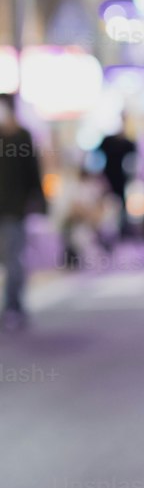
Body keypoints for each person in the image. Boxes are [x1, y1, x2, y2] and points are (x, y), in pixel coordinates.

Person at [0, 93, 46, 329]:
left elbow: (33, 172)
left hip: (13, 210)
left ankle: (13, 306)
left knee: (13, 260)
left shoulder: (22, 136)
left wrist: (39, 202)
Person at [98, 121, 137, 239]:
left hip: (121, 182)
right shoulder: (107, 141)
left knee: (120, 207)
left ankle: (119, 233)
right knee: (105, 207)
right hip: (106, 181)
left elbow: (133, 163)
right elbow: (96, 158)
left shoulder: (129, 144)